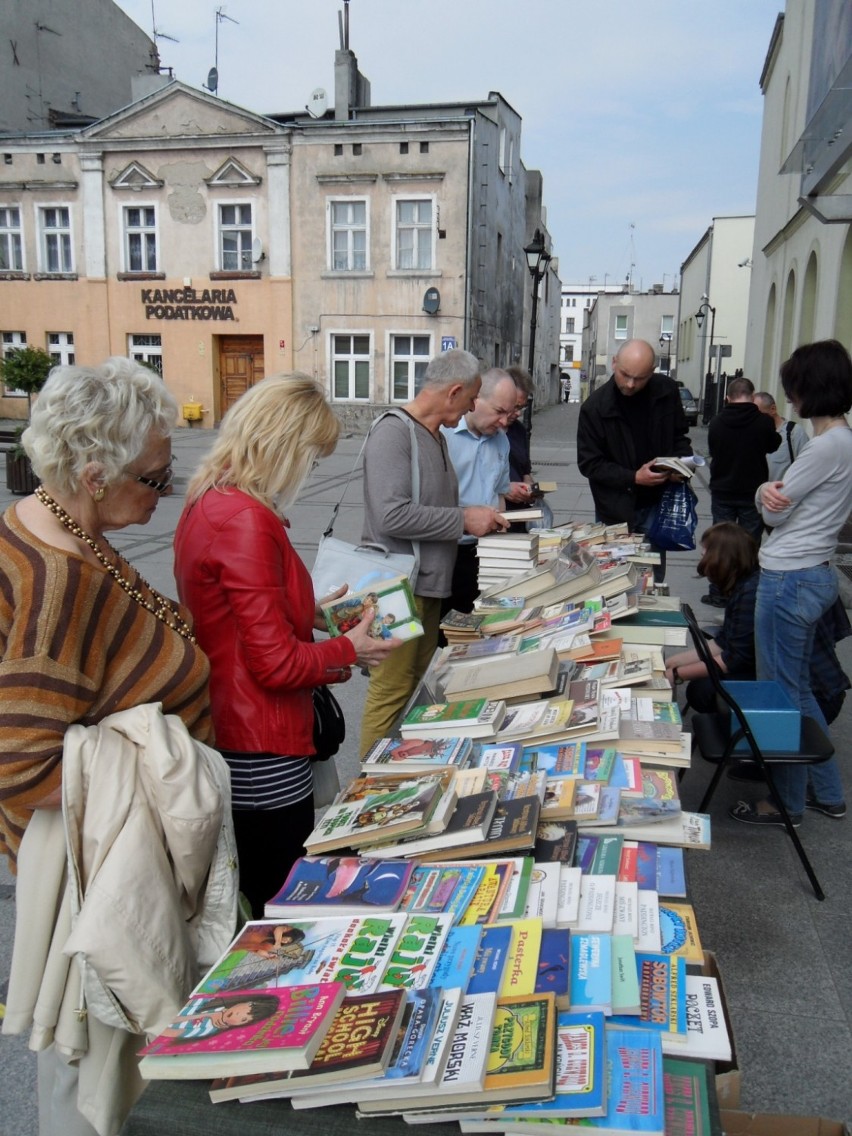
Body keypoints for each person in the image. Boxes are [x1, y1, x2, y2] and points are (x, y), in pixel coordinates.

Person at [0, 358, 228, 1136]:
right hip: (93, 881)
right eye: (155, 479)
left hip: (99, 871)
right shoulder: (59, 580)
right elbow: (26, 770)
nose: (163, 493)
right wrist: (158, 757)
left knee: (95, 1070)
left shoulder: (60, 526)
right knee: (87, 1078)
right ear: (94, 475)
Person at [174, 374, 402, 916]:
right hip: (263, 742)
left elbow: (236, 616)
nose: (309, 472)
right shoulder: (246, 520)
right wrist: (353, 649)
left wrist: (320, 616)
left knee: (260, 889)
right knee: (281, 900)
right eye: (312, 457)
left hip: (236, 727)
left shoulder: (211, 499)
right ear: (284, 445)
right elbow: (274, 663)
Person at [359, 348, 507, 752]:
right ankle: (368, 785)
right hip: (394, 589)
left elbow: (431, 510)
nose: (474, 406)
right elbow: (391, 516)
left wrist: (474, 519)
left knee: (412, 687)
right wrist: (463, 519)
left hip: (425, 587)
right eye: (472, 397)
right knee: (389, 692)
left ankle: (396, 768)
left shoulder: (434, 436)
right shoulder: (393, 432)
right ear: (454, 391)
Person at [731, 339, 852, 827]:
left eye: (794, 387)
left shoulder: (823, 448)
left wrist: (763, 489)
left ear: (808, 388)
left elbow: (771, 512)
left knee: (779, 698)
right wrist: (770, 492)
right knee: (797, 692)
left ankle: (787, 802)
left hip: (789, 577)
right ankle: (828, 792)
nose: (791, 397)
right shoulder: (842, 442)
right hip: (811, 572)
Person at [576, 339, 692, 580]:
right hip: (615, 509)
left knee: (652, 578)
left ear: (652, 372)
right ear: (614, 363)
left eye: (639, 378)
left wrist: (682, 464)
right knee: (616, 580)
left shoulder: (666, 391)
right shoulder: (595, 407)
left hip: (658, 503)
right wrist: (633, 477)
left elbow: (679, 436)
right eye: (625, 375)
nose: (630, 384)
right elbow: (589, 463)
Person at [441, 367, 519, 613]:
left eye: (510, 413)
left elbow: (499, 493)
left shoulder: (502, 441)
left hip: (486, 552)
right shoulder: (443, 435)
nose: (505, 421)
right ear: (476, 399)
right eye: (499, 411)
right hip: (447, 551)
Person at [703, 377, 781, 606]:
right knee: (749, 543)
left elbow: (713, 450)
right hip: (752, 492)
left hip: (723, 490)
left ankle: (718, 592)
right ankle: (745, 593)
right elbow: (773, 445)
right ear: (752, 395)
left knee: (720, 542)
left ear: (728, 397)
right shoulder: (763, 422)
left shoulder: (717, 422)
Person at [753, 390, 809, 480]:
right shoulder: (753, 434)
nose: (754, 418)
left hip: (784, 492)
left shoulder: (794, 432)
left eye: (758, 414)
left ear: (773, 409)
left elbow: (806, 469)